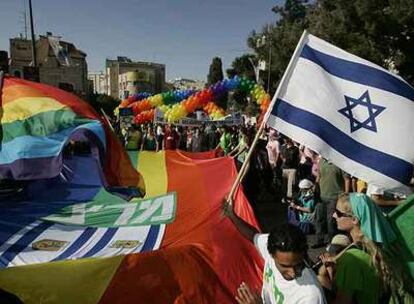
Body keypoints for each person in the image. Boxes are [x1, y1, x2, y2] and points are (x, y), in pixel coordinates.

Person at [223, 201, 326, 304]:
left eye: (298, 265)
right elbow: (253, 235)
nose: (293, 273)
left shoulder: (311, 296)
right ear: (271, 255)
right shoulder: (271, 244)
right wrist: (232, 215)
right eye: (285, 266)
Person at [321, 193, 408, 304]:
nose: (334, 215)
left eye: (338, 213)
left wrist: (329, 271)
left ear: (354, 219)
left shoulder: (351, 259)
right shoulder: (381, 246)